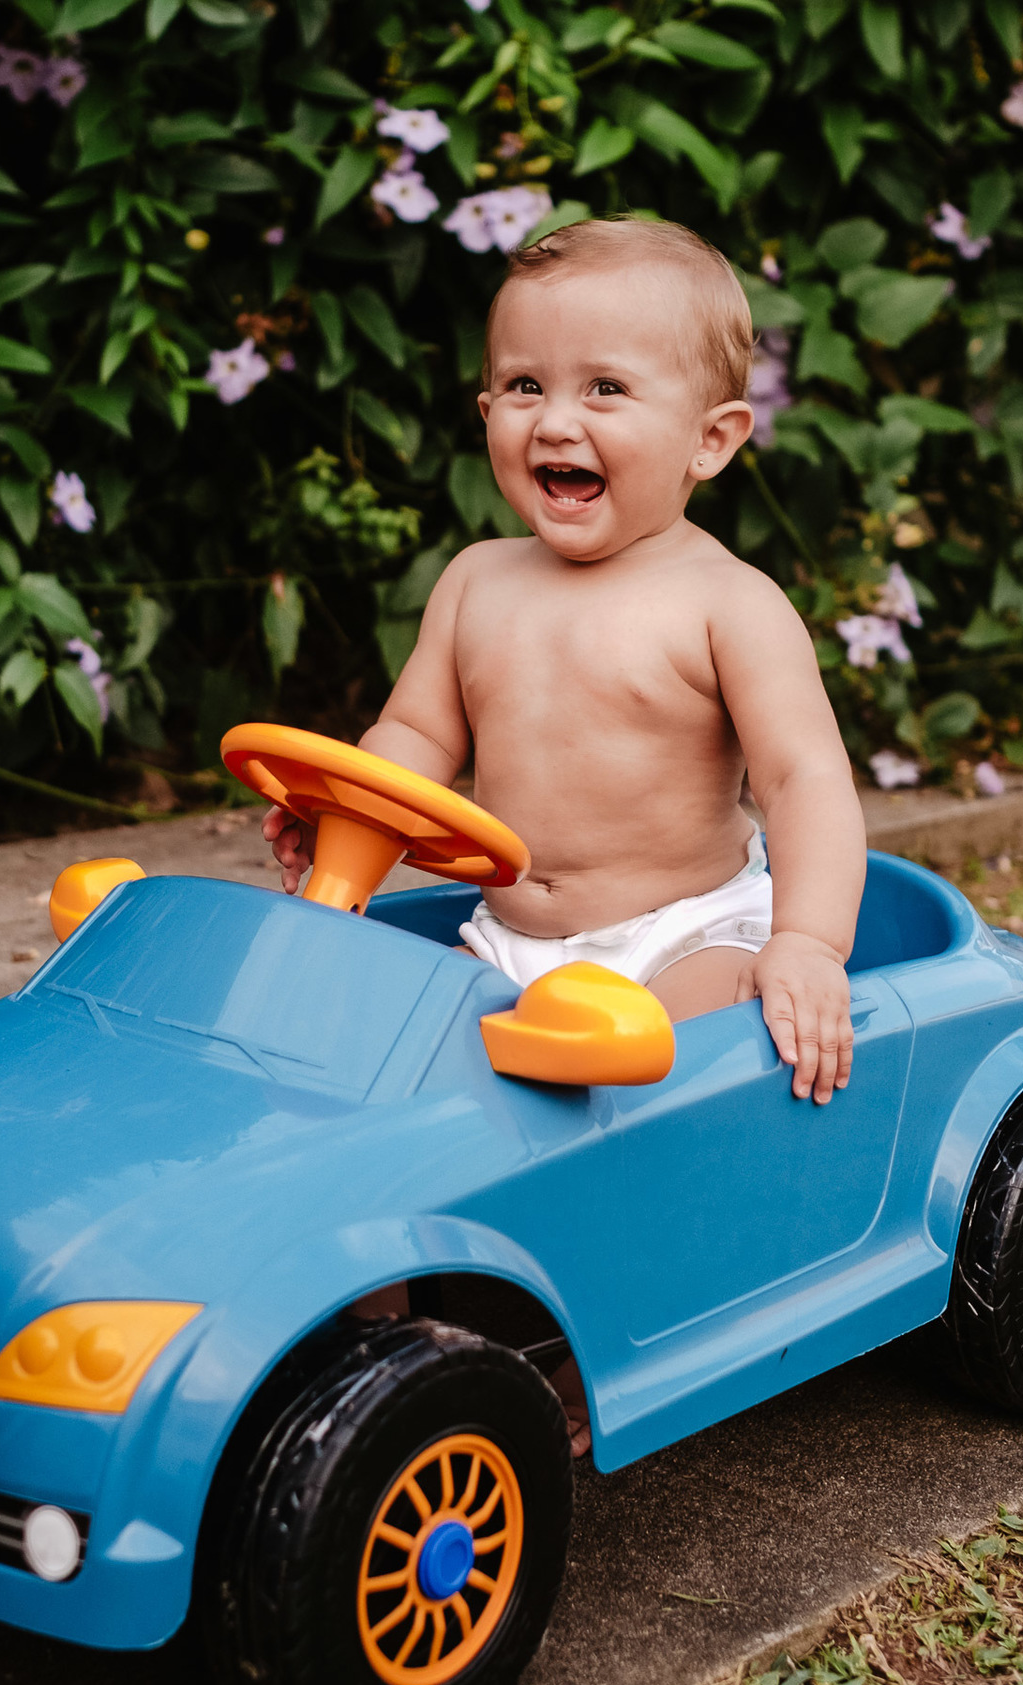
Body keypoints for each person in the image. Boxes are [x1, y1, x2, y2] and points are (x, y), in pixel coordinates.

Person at [265, 218, 867, 1454]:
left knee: (676, 1089)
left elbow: (805, 778)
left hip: (682, 936)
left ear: (711, 439)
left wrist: (807, 942)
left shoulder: (728, 604)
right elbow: (415, 738)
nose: (557, 421)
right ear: (487, 407)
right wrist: (351, 819)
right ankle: (381, 1350)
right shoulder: (477, 583)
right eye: (526, 386)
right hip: (509, 946)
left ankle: (644, 1335)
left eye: (605, 390)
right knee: (382, 1085)